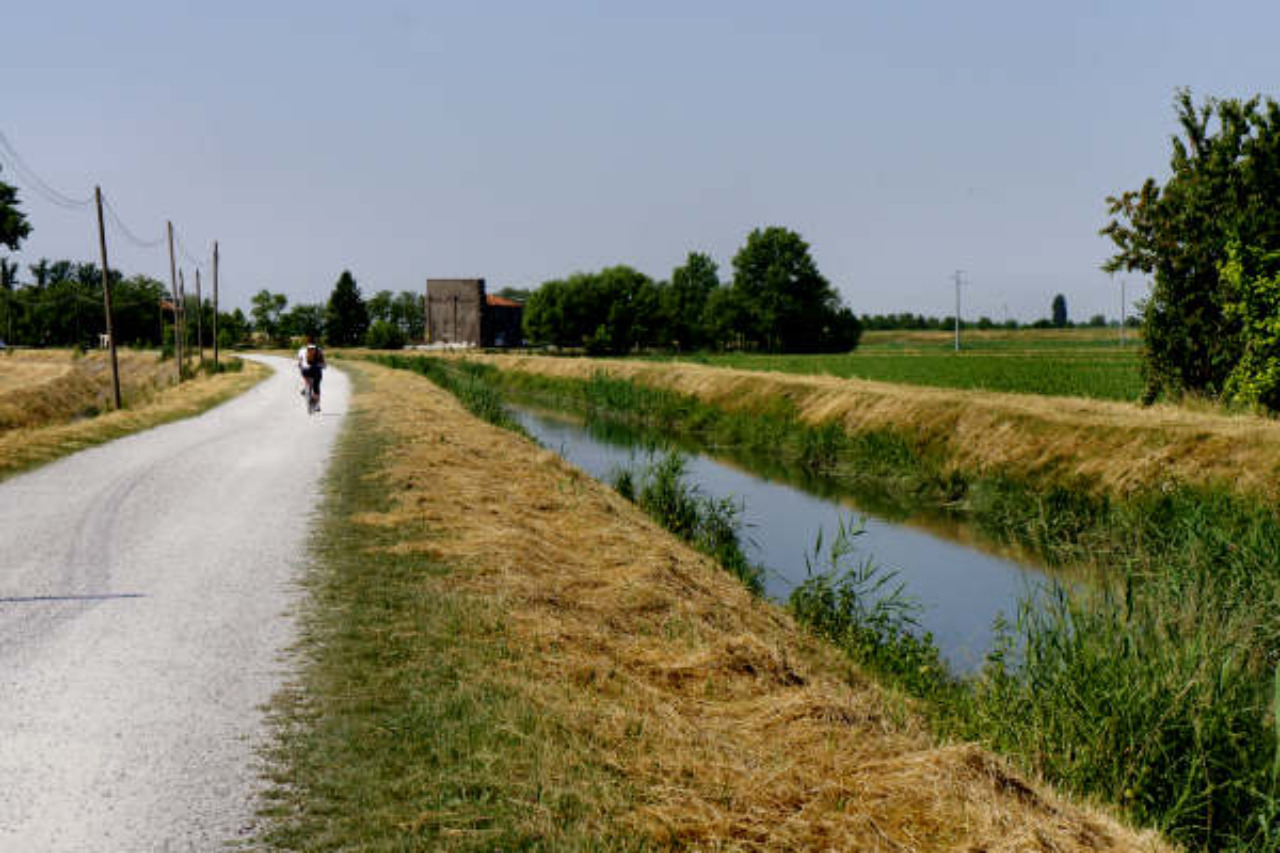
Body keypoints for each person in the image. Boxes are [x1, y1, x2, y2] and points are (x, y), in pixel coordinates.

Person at [297, 336, 326, 411]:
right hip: (316, 371)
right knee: (316, 387)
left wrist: (300, 366)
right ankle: (317, 406)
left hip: (306, 371)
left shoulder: (302, 350)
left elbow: (300, 362)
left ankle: (306, 388)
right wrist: (322, 366)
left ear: (307, 343)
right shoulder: (319, 350)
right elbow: (323, 363)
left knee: (306, 378)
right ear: (315, 343)